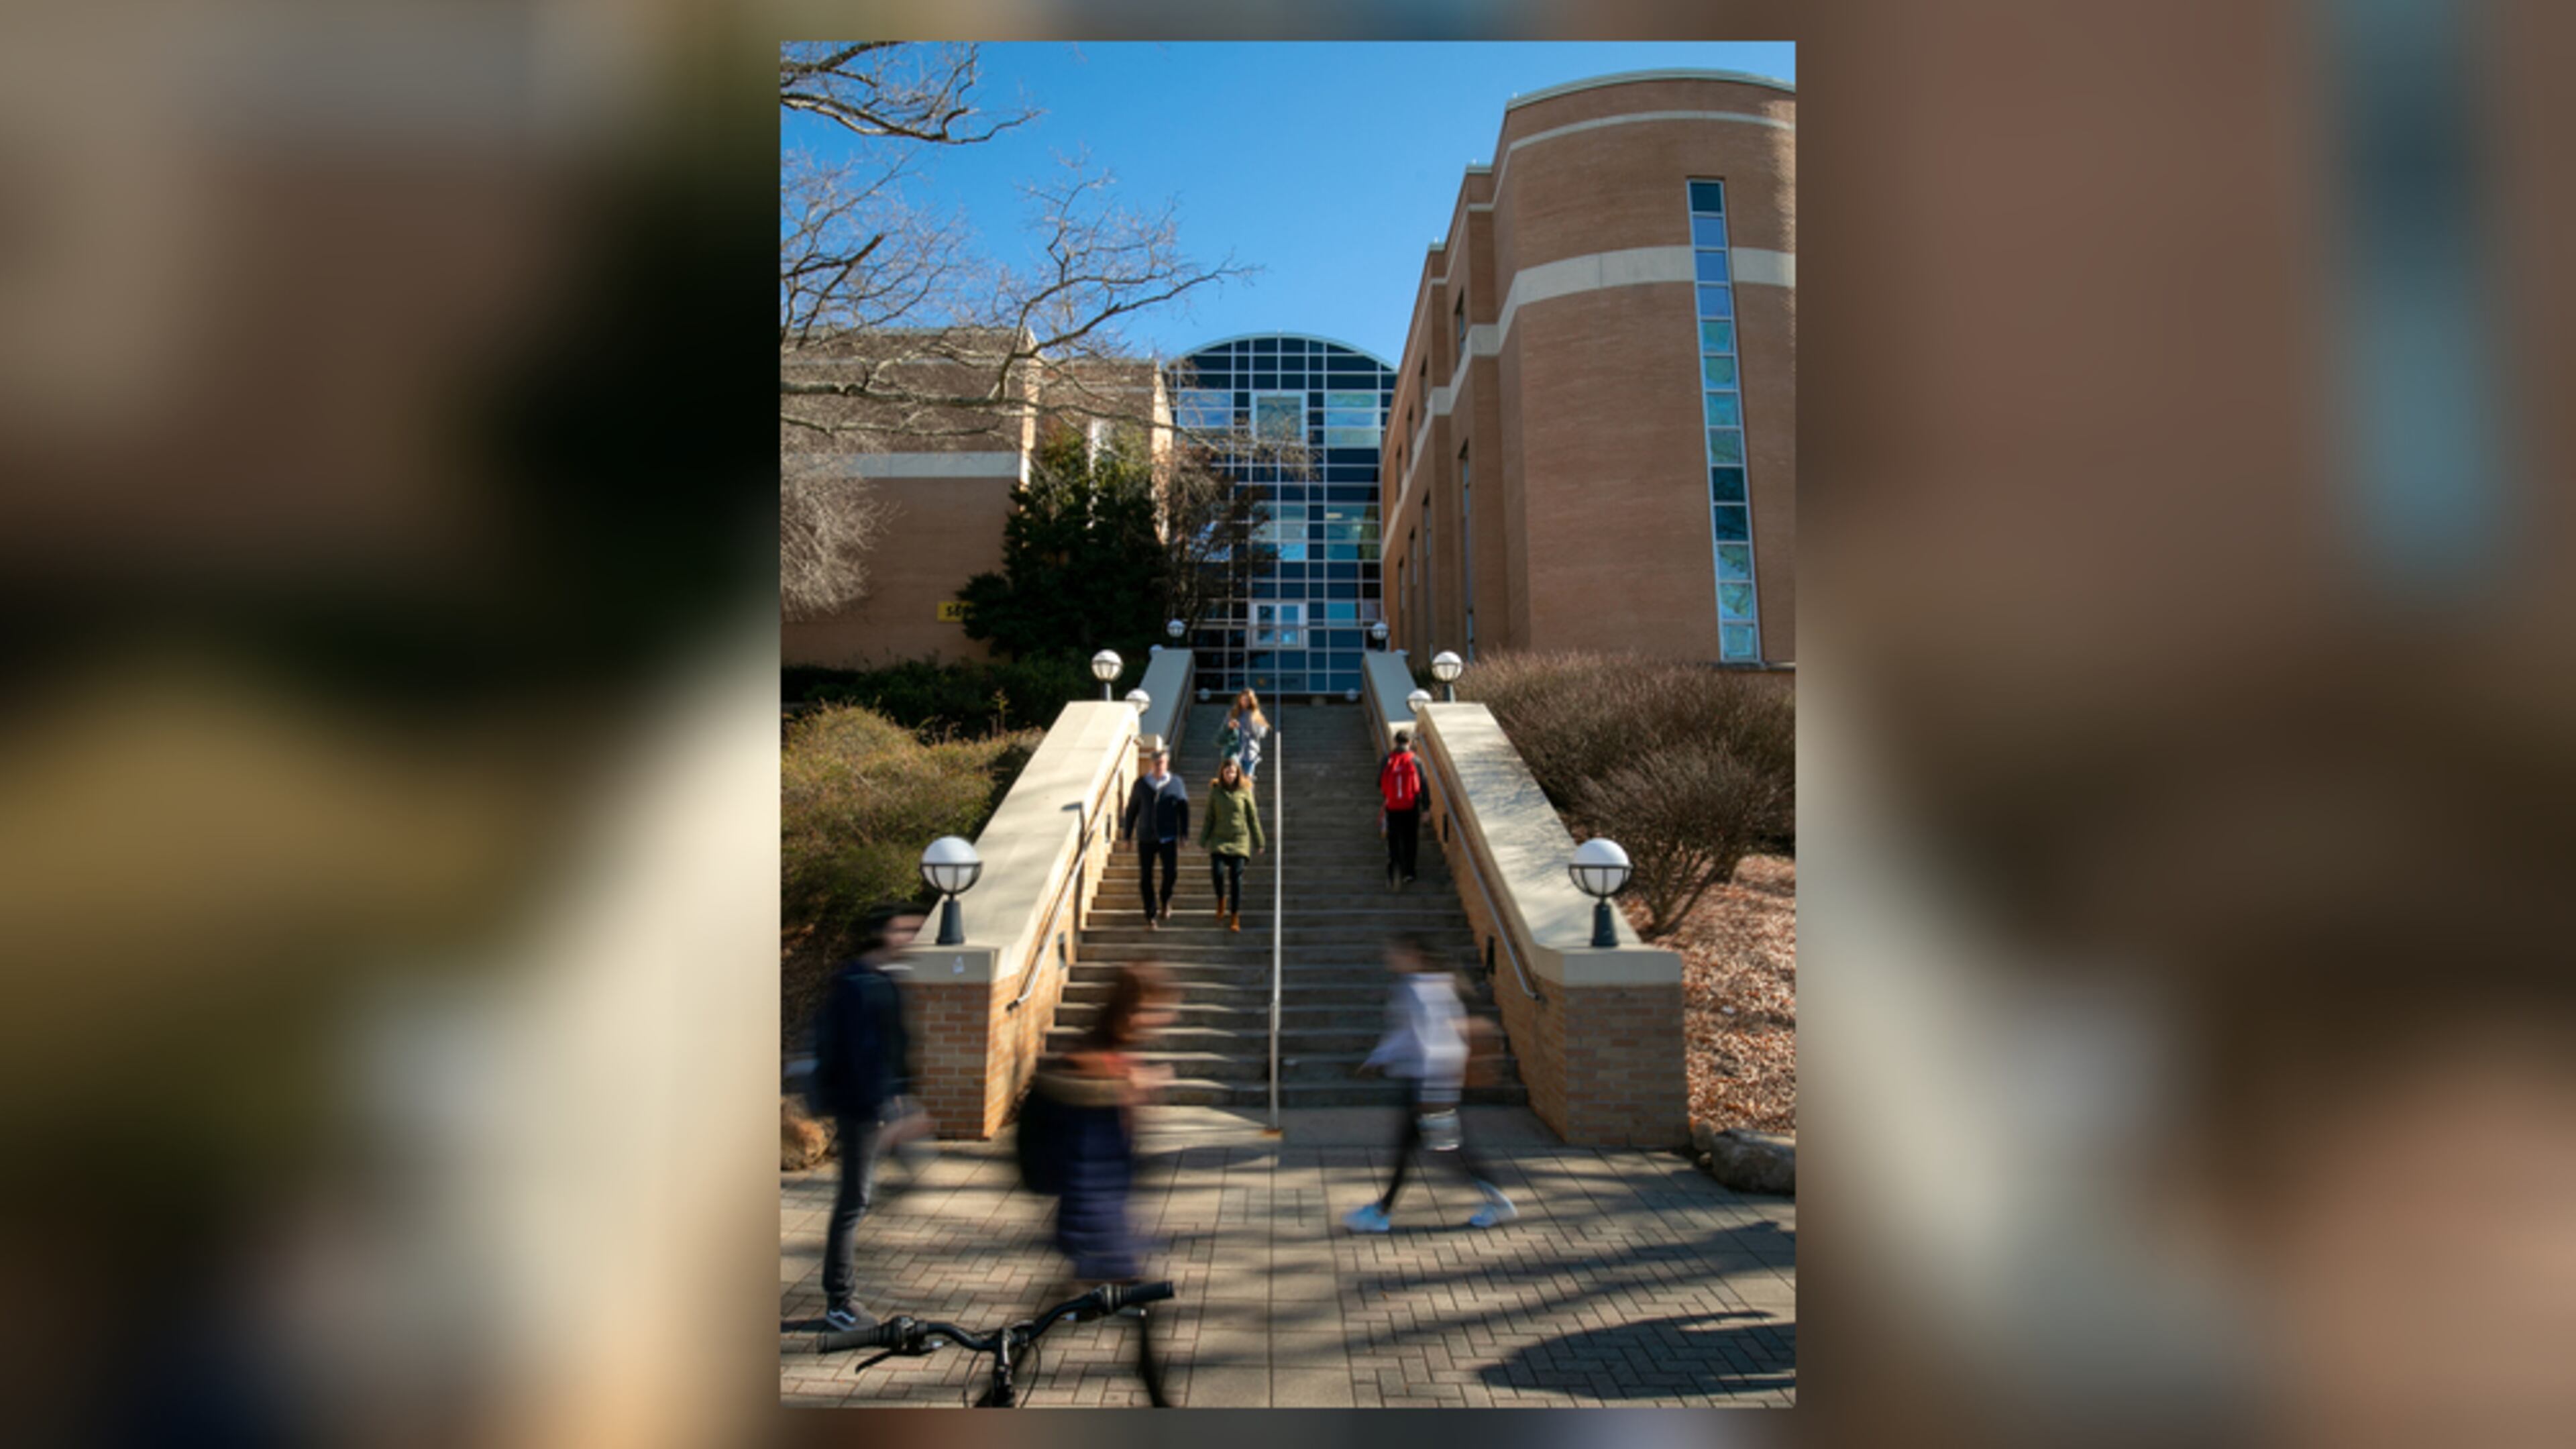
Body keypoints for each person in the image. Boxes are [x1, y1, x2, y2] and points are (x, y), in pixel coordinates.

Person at [1022, 963, 1177, 1403]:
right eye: (1155, 1012)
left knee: (1064, 1305)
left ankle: (1004, 1372)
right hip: (1095, 1214)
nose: (1160, 1021)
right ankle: (1160, 1405)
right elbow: (1087, 1153)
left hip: (1104, 1210)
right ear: (1133, 1010)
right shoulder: (1094, 1062)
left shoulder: (1115, 1059)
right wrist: (1126, 1085)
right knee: (1134, 1307)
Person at [1343, 936, 1517, 1233]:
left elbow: (1437, 1043)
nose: (1390, 957)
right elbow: (1407, 1035)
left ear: (1413, 954)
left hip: (1428, 1085)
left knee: (1448, 1152)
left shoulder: (1422, 990)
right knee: (1422, 1151)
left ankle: (1383, 1212)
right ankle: (1383, 1211)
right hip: (1424, 1083)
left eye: (1395, 952)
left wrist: (1434, 1092)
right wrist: (1376, 1059)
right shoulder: (1419, 987)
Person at [806, 902, 925, 1332]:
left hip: (881, 1105)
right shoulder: (856, 985)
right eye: (903, 930)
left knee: (865, 1197)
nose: (910, 937)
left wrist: (907, 1098)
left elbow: (897, 1047)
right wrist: (883, 1110)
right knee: (853, 1202)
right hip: (862, 1109)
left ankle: (847, 1286)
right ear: (880, 934)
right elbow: (860, 1056)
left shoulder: (882, 981)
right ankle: (841, 1300)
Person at [1119, 747, 1190, 930]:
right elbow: (1132, 810)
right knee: (1145, 878)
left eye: (1163, 763)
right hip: (1146, 837)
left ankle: (1165, 900)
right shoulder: (1141, 784)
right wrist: (1127, 835)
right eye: (1157, 763)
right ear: (1151, 764)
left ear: (1167, 764)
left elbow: (1184, 809)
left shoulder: (1176, 783)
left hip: (1168, 837)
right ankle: (1150, 915)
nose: (1160, 766)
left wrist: (1184, 834)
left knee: (1171, 873)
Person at [1198, 756, 1265, 932]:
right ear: (1222, 773)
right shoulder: (1215, 791)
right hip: (1220, 839)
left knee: (1236, 878)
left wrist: (1259, 841)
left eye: (1233, 772)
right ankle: (1221, 900)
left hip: (1239, 840)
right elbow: (1209, 818)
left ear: (1238, 774)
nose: (1230, 775)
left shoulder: (1245, 791)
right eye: (1227, 772)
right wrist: (1203, 839)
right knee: (1217, 872)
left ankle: (1235, 916)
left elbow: (1252, 818)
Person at [1379, 728, 1425, 892]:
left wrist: (1389, 795)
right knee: (1410, 838)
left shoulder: (1387, 759)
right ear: (1410, 742)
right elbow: (1423, 785)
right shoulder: (1415, 760)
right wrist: (1426, 807)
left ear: (1395, 742)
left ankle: (1393, 872)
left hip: (1392, 806)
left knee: (1394, 840)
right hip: (1411, 806)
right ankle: (1409, 872)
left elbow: (1380, 782)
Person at [1214, 689, 1269, 786]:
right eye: (1243, 699)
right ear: (1239, 700)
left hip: (1250, 753)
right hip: (1235, 751)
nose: (1245, 702)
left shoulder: (1256, 715)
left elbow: (1262, 733)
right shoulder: (1233, 713)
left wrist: (1254, 724)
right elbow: (1224, 729)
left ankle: (1247, 799)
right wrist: (1230, 726)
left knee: (1248, 780)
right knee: (1234, 779)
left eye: (1247, 700)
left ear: (1252, 701)